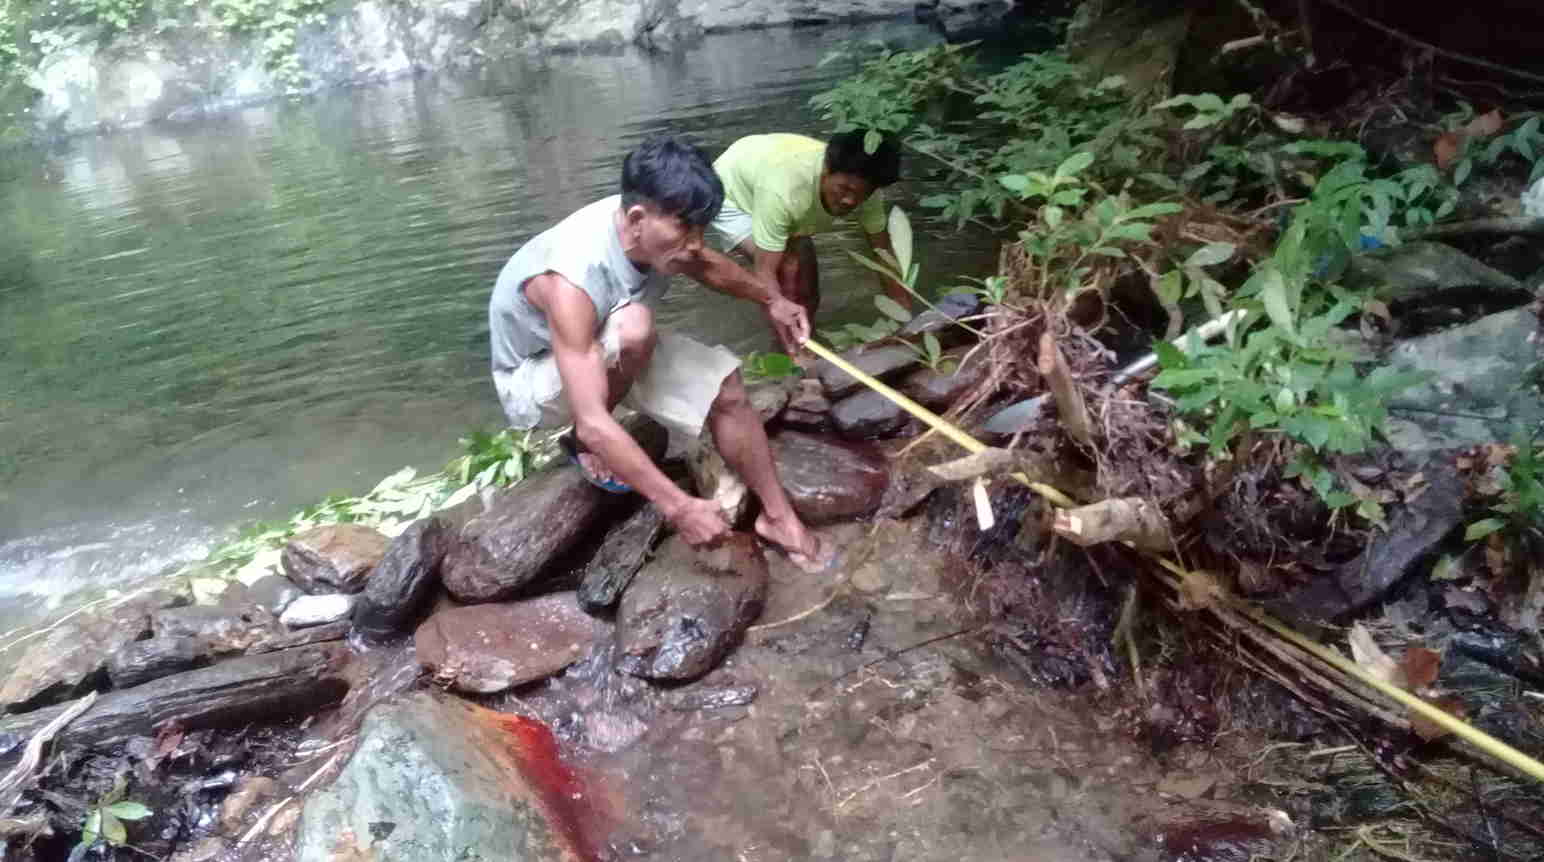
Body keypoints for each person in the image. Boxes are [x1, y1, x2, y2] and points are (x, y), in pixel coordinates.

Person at [487, 135, 828, 570]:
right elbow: (591, 422)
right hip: (533, 380)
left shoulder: (657, 223)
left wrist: (772, 300)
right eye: (687, 230)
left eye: (702, 230)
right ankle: (586, 444)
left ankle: (779, 520)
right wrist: (679, 506)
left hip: (609, 343)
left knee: (726, 386)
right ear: (635, 219)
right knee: (635, 327)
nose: (695, 242)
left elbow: (706, 264)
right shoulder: (571, 278)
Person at [709, 130, 907, 335]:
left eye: (860, 194)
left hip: (768, 172)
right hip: (730, 191)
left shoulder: (867, 190)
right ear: (826, 170)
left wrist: (905, 319)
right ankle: (794, 354)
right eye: (843, 189)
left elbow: (883, 253)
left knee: (807, 281)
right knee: (785, 267)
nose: (850, 200)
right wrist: (777, 303)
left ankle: (806, 336)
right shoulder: (785, 191)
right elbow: (764, 272)